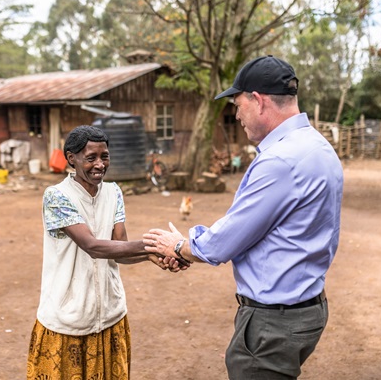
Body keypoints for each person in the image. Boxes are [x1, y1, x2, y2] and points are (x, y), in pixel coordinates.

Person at [144, 55, 344, 379]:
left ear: (258, 100)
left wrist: (179, 246)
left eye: (238, 104)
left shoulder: (281, 160)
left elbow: (225, 241)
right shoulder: (318, 148)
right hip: (307, 308)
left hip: (273, 324)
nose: (236, 115)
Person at [27, 125, 185, 380]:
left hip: (111, 314)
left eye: (105, 156)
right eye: (91, 158)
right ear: (71, 158)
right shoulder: (56, 196)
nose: (100, 164)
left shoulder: (113, 193)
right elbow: (93, 246)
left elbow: (118, 249)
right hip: (68, 319)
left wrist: (153, 256)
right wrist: (156, 244)